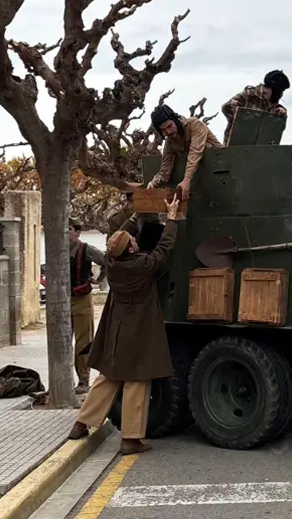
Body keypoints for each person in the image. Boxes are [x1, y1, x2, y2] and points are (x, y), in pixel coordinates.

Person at [67, 195, 181, 455]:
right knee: (138, 380)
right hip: (139, 329)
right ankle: (131, 439)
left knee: (109, 376)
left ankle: (82, 423)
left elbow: (120, 241)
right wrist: (173, 218)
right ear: (131, 249)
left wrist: (135, 215)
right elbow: (165, 248)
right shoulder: (142, 266)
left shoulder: (112, 263)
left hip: (117, 329)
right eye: (133, 241)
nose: (135, 240)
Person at [146, 104, 223, 200]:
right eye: (163, 130)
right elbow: (165, 170)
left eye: (170, 126)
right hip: (202, 182)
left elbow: (195, 152)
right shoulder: (170, 142)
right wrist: (153, 183)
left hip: (221, 170)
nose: (168, 132)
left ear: (175, 120)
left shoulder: (194, 125)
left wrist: (186, 179)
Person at [68, 218, 107, 395]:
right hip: (61, 302)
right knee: (62, 342)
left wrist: (98, 280)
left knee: (83, 342)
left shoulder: (85, 249)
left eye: (69, 229)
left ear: (77, 232)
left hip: (81, 300)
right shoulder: (56, 250)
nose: (65, 233)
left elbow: (106, 260)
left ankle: (83, 381)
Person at [221, 69, 290, 145]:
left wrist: (281, 114)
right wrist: (245, 118)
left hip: (258, 150)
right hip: (236, 146)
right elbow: (227, 107)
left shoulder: (274, 106)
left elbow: (276, 129)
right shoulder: (250, 94)